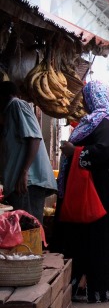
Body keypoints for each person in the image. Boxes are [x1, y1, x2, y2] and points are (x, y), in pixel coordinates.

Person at [55, 81, 109, 303]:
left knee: (95, 239)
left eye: (85, 97)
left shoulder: (102, 121)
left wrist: (74, 151)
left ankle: (99, 287)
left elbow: (105, 150)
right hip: (93, 190)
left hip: (97, 193)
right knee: (86, 238)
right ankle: (83, 285)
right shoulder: (102, 119)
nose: (83, 102)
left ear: (91, 98)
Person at [0, 81, 56, 224]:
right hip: (20, 182)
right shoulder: (8, 113)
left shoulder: (16, 105)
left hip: (27, 182)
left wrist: (24, 172)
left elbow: (34, 138)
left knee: (28, 228)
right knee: (24, 231)